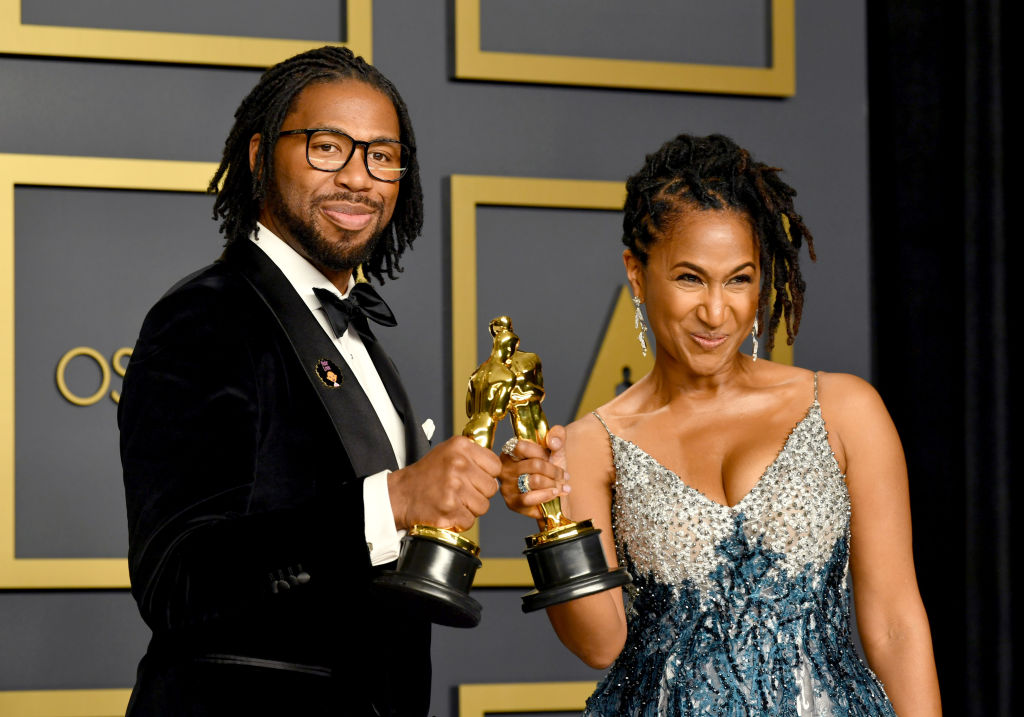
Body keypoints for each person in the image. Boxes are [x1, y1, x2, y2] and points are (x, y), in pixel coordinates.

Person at [119, 46, 513, 716]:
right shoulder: (205, 316)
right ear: (259, 156)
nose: (359, 178)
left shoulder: (355, 331)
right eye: (328, 147)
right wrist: (393, 499)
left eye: (382, 155)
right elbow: (177, 578)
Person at [501, 134, 941, 715]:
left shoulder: (844, 410)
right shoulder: (589, 445)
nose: (715, 312)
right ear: (637, 273)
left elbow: (895, 625)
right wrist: (550, 519)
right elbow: (599, 645)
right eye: (690, 278)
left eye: (739, 279)